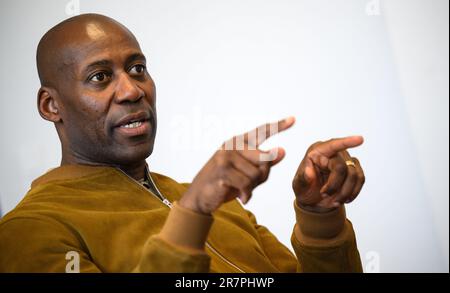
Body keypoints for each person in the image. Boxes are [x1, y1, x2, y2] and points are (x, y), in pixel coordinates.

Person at [0, 14, 365, 272]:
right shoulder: (29, 231)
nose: (131, 90)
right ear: (52, 106)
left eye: (137, 68)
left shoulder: (221, 204)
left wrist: (321, 216)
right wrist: (191, 215)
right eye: (100, 77)